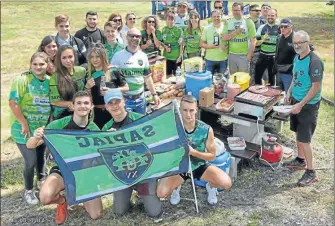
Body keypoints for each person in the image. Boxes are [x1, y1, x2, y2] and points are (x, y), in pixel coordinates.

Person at [26, 91, 102, 224]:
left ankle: (80, 193)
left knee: (96, 215)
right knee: (45, 197)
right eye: (78, 103)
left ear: (91, 106)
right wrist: (36, 135)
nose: (82, 106)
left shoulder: (94, 129)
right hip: (63, 170)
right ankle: (62, 201)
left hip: (85, 172)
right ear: (72, 106)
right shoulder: (59, 125)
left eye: (86, 103)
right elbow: (30, 145)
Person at [156, 95, 232, 205]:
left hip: (199, 164)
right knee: (161, 193)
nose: (188, 114)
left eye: (191, 110)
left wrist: (193, 152)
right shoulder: (173, 127)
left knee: (226, 183)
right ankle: (176, 187)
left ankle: (210, 186)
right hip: (180, 166)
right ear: (180, 110)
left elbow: (212, 156)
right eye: (185, 110)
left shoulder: (205, 129)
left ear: (196, 110)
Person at [101, 89, 162, 217]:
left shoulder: (140, 120)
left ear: (124, 101)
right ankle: (130, 194)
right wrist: (108, 143)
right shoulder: (106, 128)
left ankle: (144, 193)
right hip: (123, 174)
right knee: (119, 211)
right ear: (106, 107)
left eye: (117, 101)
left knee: (154, 212)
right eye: (110, 103)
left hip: (144, 171)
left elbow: (155, 142)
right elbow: (105, 158)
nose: (115, 105)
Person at [9, 52, 51, 205]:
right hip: (23, 129)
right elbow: (13, 102)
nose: (38, 67)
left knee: (41, 157)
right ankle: (28, 190)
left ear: (47, 65)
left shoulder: (50, 81)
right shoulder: (23, 80)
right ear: (30, 64)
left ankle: (41, 181)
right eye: (35, 64)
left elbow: (53, 103)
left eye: (42, 64)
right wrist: (23, 123)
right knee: (31, 160)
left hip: (42, 128)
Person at [283, 30, 324, 187]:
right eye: (295, 43)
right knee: (298, 132)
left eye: (301, 43)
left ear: (308, 42)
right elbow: (295, 77)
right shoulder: (296, 57)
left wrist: (300, 105)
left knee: (305, 139)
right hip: (296, 100)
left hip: (308, 105)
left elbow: (315, 87)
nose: (297, 46)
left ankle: (311, 171)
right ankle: (300, 159)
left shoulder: (315, 61)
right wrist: (289, 93)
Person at [111, 28, 161, 114]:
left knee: (141, 124)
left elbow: (148, 78)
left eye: (137, 36)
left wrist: (154, 94)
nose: (134, 38)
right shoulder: (117, 56)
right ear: (126, 37)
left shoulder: (143, 56)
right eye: (132, 36)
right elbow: (112, 79)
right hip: (125, 100)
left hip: (141, 99)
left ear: (140, 39)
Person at [85, 46, 129, 129]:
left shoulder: (113, 70)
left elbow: (126, 88)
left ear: (103, 57)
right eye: (92, 57)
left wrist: (112, 91)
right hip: (98, 112)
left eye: (97, 56)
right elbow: (87, 97)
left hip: (114, 109)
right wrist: (87, 87)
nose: (94, 60)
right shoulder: (89, 74)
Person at [49, 45, 87, 120]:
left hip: (81, 112)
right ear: (59, 60)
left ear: (74, 57)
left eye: (70, 57)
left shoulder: (82, 71)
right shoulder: (55, 77)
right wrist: (69, 104)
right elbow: (53, 101)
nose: (68, 60)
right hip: (61, 116)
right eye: (64, 58)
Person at [222, 2, 256, 74]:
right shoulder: (228, 22)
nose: (235, 12)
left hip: (244, 56)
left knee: (243, 79)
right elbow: (224, 38)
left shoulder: (248, 22)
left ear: (242, 11)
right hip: (231, 55)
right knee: (233, 79)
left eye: (237, 10)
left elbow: (253, 41)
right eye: (234, 10)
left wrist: (249, 56)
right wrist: (236, 32)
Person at [254, 9, 280, 86]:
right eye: (268, 15)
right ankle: (257, 93)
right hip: (262, 56)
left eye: (272, 15)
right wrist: (263, 39)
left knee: (271, 80)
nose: (270, 17)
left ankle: (271, 95)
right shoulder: (262, 27)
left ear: (276, 16)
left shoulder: (279, 28)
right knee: (257, 77)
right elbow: (256, 44)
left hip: (273, 57)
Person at [274, 18, 296, 93]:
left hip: (290, 73)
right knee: (278, 94)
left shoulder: (296, 38)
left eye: (285, 27)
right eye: (281, 26)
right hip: (279, 71)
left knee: (288, 95)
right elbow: (277, 53)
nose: (283, 29)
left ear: (291, 27)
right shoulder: (279, 37)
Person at [161, 13, 184, 77]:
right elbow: (161, 42)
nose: (170, 21)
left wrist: (180, 57)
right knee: (168, 75)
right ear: (165, 20)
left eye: (172, 20)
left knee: (177, 76)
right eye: (168, 19)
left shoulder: (178, 30)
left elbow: (181, 45)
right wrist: (165, 46)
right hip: (167, 57)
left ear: (175, 20)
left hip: (176, 57)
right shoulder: (164, 29)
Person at [248, 4, 263, 85]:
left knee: (256, 74)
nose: (258, 12)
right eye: (256, 10)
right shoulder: (246, 23)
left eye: (259, 11)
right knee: (248, 74)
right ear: (250, 12)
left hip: (258, 53)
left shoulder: (262, 23)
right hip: (247, 52)